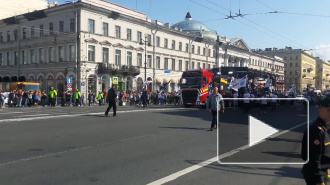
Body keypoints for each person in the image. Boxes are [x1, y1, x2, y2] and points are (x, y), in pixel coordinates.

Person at [301, 95, 330, 185]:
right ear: (320, 110)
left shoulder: (326, 127)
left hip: (323, 170)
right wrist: (319, 181)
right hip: (315, 174)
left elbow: (325, 153)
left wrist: (327, 168)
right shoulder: (316, 130)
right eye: (329, 110)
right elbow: (314, 159)